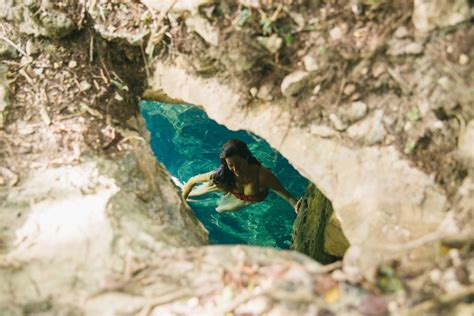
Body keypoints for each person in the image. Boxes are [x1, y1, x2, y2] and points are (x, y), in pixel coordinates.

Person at [181, 139, 302, 213]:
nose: (235, 169)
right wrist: (180, 204)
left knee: (220, 210)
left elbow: (287, 196)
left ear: (247, 157)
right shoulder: (223, 174)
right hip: (228, 185)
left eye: (238, 164)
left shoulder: (263, 176)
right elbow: (192, 181)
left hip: (247, 199)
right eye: (230, 165)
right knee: (188, 194)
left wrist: (296, 205)